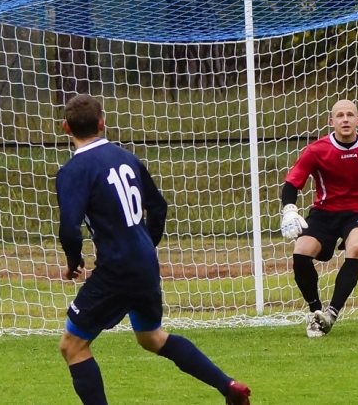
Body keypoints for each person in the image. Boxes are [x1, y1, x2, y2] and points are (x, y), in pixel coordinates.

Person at [55, 95, 251, 405]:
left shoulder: (73, 170)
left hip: (116, 269)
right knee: (152, 337)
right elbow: (158, 206)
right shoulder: (126, 158)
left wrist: (73, 262)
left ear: (66, 128)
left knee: (72, 345)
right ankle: (228, 386)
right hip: (144, 264)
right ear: (102, 123)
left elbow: (69, 227)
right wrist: (145, 245)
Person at [280, 99, 358, 338]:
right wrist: (289, 209)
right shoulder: (316, 150)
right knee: (300, 251)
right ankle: (316, 313)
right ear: (332, 122)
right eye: (340, 115)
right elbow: (292, 183)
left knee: (356, 247)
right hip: (325, 213)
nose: (345, 119)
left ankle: (332, 313)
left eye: (350, 115)